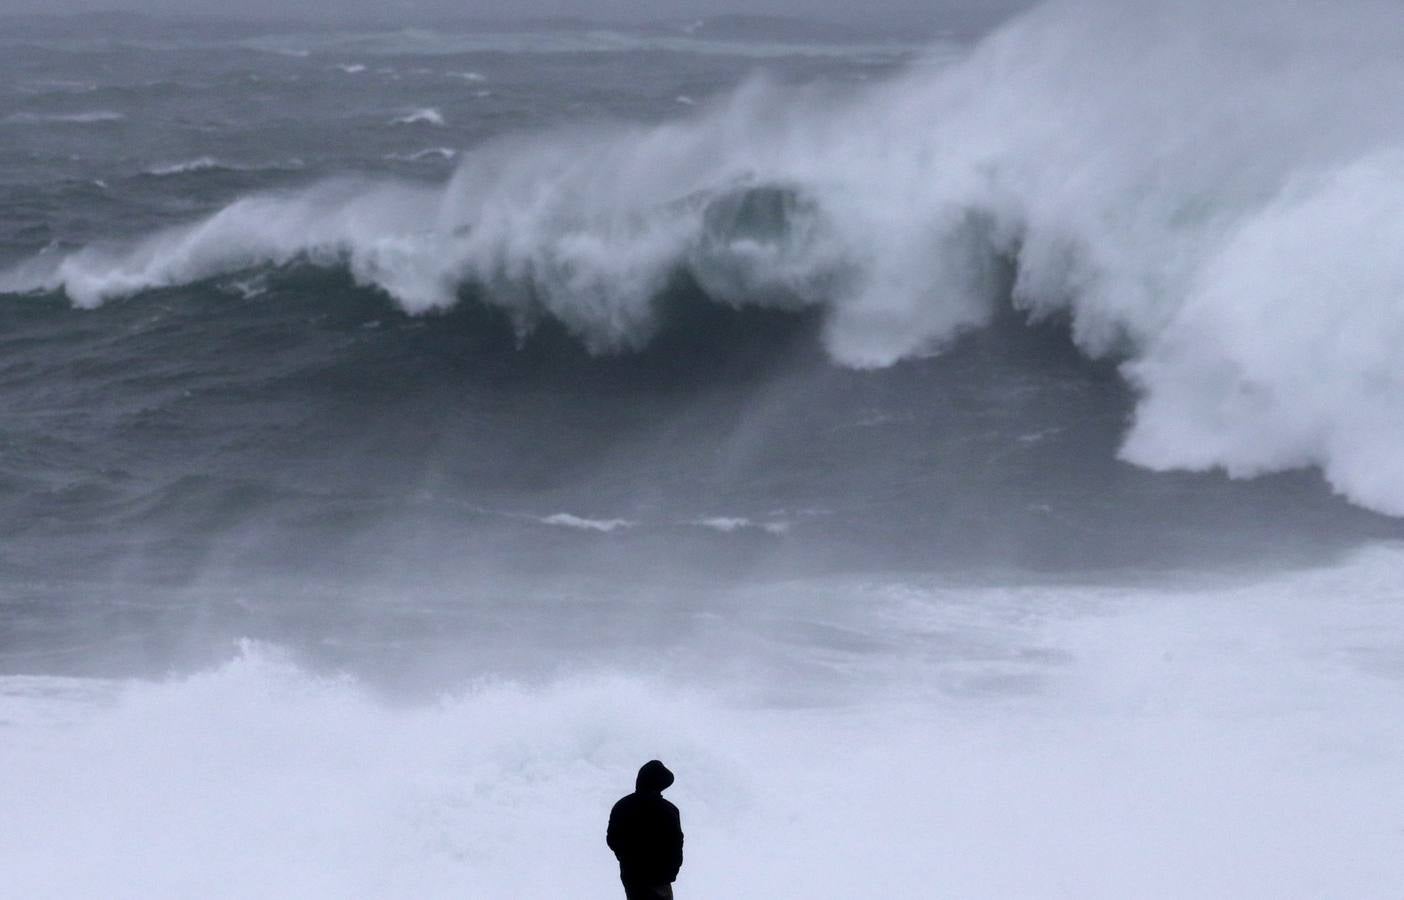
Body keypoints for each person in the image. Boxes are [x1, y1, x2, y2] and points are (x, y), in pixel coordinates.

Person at [606, 760, 684, 900]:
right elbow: (676, 844)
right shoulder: (668, 810)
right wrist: (670, 873)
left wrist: (627, 858)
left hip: (631, 875)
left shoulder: (622, 806)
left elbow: (612, 839)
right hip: (660, 878)